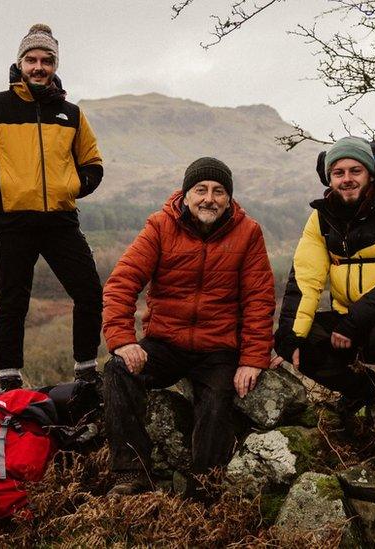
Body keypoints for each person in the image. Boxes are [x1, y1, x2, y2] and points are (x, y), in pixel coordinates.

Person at [101, 157, 275, 496]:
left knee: (217, 402)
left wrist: (253, 358)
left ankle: (203, 490)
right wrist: (122, 340)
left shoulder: (248, 232)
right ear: (186, 194)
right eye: (201, 190)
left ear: (228, 198)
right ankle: (130, 473)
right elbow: (121, 283)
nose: (209, 198)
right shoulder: (160, 226)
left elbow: (259, 299)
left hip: (218, 348)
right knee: (118, 370)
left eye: (218, 191)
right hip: (166, 342)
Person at [0, 24, 104, 391]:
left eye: (46, 60)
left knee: (89, 293)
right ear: (19, 63)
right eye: (32, 59)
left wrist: (72, 185)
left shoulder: (71, 113)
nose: (39, 66)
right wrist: (1, 185)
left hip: (60, 222)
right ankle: (8, 379)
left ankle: (85, 370)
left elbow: (93, 163)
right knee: (14, 301)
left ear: (54, 65)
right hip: (12, 221)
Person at [272, 137, 375, 420]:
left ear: (370, 173)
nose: (347, 179)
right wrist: (291, 336)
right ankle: (365, 391)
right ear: (329, 178)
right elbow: (305, 280)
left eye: (355, 171)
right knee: (297, 339)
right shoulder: (321, 218)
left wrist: (353, 323)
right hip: (348, 322)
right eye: (338, 173)